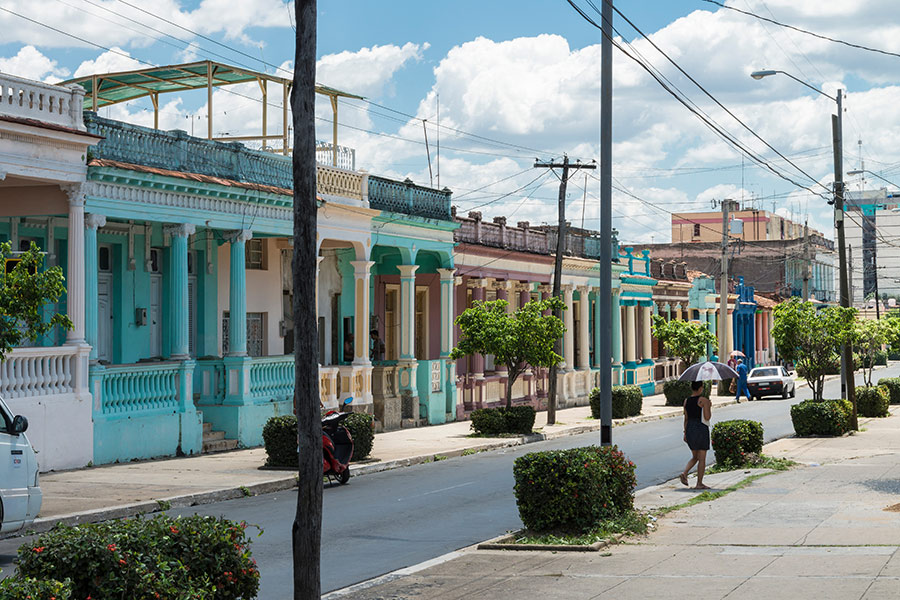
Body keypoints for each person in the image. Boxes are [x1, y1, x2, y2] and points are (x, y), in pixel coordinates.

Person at [680, 380, 711, 490]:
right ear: (701, 388)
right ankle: (699, 483)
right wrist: (708, 405)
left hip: (690, 429)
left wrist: (685, 432)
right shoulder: (703, 400)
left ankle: (685, 473)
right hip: (700, 428)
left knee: (695, 456)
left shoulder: (686, 401)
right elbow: (707, 417)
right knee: (701, 458)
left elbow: (686, 418)